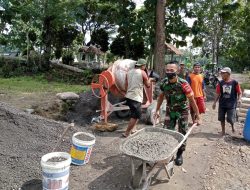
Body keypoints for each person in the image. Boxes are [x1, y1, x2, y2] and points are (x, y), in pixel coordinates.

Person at [155, 60, 201, 166]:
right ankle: (167, 151)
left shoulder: (183, 84)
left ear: (177, 71)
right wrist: (157, 110)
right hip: (170, 111)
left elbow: (192, 101)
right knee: (167, 132)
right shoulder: (164, 83)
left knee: (182, 133)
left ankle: (179, 154)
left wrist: (198, 116)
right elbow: (161, 97)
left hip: (182, 112)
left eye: (172, 70)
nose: (169, 72)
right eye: (167, 70)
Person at [122, 59, 154, 137]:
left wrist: (127, 93)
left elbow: (126, 85)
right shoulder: (142, 72)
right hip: (136, 97)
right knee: (136, 115)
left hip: (128, 96)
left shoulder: (128, 72)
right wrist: (150, 79)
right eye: (145, 66)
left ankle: (133, 129)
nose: (145, 67)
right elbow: (148, 85)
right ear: (142, 65)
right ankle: (126, 133)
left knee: (135, 114)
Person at [212, 67, 242, 135]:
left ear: (228, 74)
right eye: (221, 73)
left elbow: (239, 92)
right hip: (222, 104)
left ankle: (232, 126)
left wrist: (239, 99)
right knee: (221, 118)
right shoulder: (220, 83)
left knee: (230, 119)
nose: (221, 74)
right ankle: (223, 131)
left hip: (231, 104)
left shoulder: (235, 82)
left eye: (223, 73)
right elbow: (217, 93)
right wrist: (214, 102)